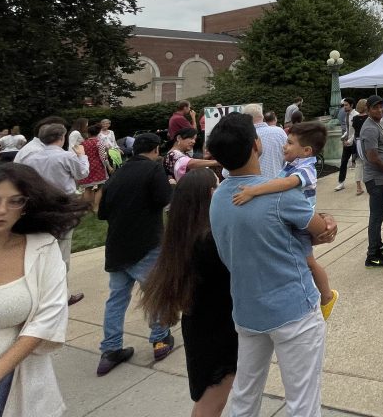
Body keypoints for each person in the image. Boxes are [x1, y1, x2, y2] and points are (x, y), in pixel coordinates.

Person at [207, 112, 337, 417]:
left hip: (247, 311)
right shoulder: (281, 195)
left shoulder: (218, 197)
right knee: (302, 401)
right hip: (293, 310)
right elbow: (320, 230)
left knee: (245, 395)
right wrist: (327, 223)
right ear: (257, 145)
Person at [0, 165, 87, 417]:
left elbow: (47, 319)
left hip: (9, 384)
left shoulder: (42, 248)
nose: (1, 210)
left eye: (15, 201)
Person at [140, 169, 238, 417]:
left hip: (201, 325)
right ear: (210, 194)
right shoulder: (208, 241)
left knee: (211, 398)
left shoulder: (184, 235)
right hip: (217, 330)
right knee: (212, 401)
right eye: (218, 185)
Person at [229, 122, 339, 318]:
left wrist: (253, 191)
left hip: (301, 225)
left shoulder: (306, 169)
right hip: (293, 221)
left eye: (289, 143)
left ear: (306, 151)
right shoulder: (292, 164)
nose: (284, 146)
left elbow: (285, 183)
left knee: (309, 262)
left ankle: (327, 296)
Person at [96, 133, 175, 375]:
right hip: (146, 243)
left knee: (116, 299)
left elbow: (102, 212)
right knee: (155, 292)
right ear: (154, 149)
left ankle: (111, 349)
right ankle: (160, 338)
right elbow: (164, 200)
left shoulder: (117, 174)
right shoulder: (153, 170)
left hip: (117, 246)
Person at [17, 122, 89, 307]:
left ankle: (39, 293)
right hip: (62, 205)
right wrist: (82, 156)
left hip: (40, 205)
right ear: (62, 137)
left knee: (41, 249)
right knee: (62, 252)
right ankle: (61, 295)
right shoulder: (65, 156)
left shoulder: (32, 158)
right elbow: (82, 173)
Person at [360, 96, 383, 268]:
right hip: (376, 179)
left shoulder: (376, 123)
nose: (380, 110)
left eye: (381, 107)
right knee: (376, 216)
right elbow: (372, 157)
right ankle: (373, 254)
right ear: (368, 110)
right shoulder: (369, 128)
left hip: (379, 177)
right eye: (375, 108)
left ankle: (378, 243)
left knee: (379, 214)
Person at [78, 123, 110, 211]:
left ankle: (88, 207)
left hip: (86, 166)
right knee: (101, 186)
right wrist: (109, 166)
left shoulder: (82, 143)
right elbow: (103, 157)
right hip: (98, 166)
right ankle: (96, 207)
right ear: (98, 133)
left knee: (88, 187)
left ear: (88, 133)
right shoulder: (99, 143)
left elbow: (79, 155)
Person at [335, 98, 356, 192]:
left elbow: (356, 131)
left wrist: (350, 140)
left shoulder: (356, 115)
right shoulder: (347, 115)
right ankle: (341, 182)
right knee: (343, 162)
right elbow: (348, 129)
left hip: (355, 143)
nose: (344, 107)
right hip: (348, 143)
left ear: (351, 105)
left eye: (346, 105)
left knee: (362, 163)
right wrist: (343, 137)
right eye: (344, 105)